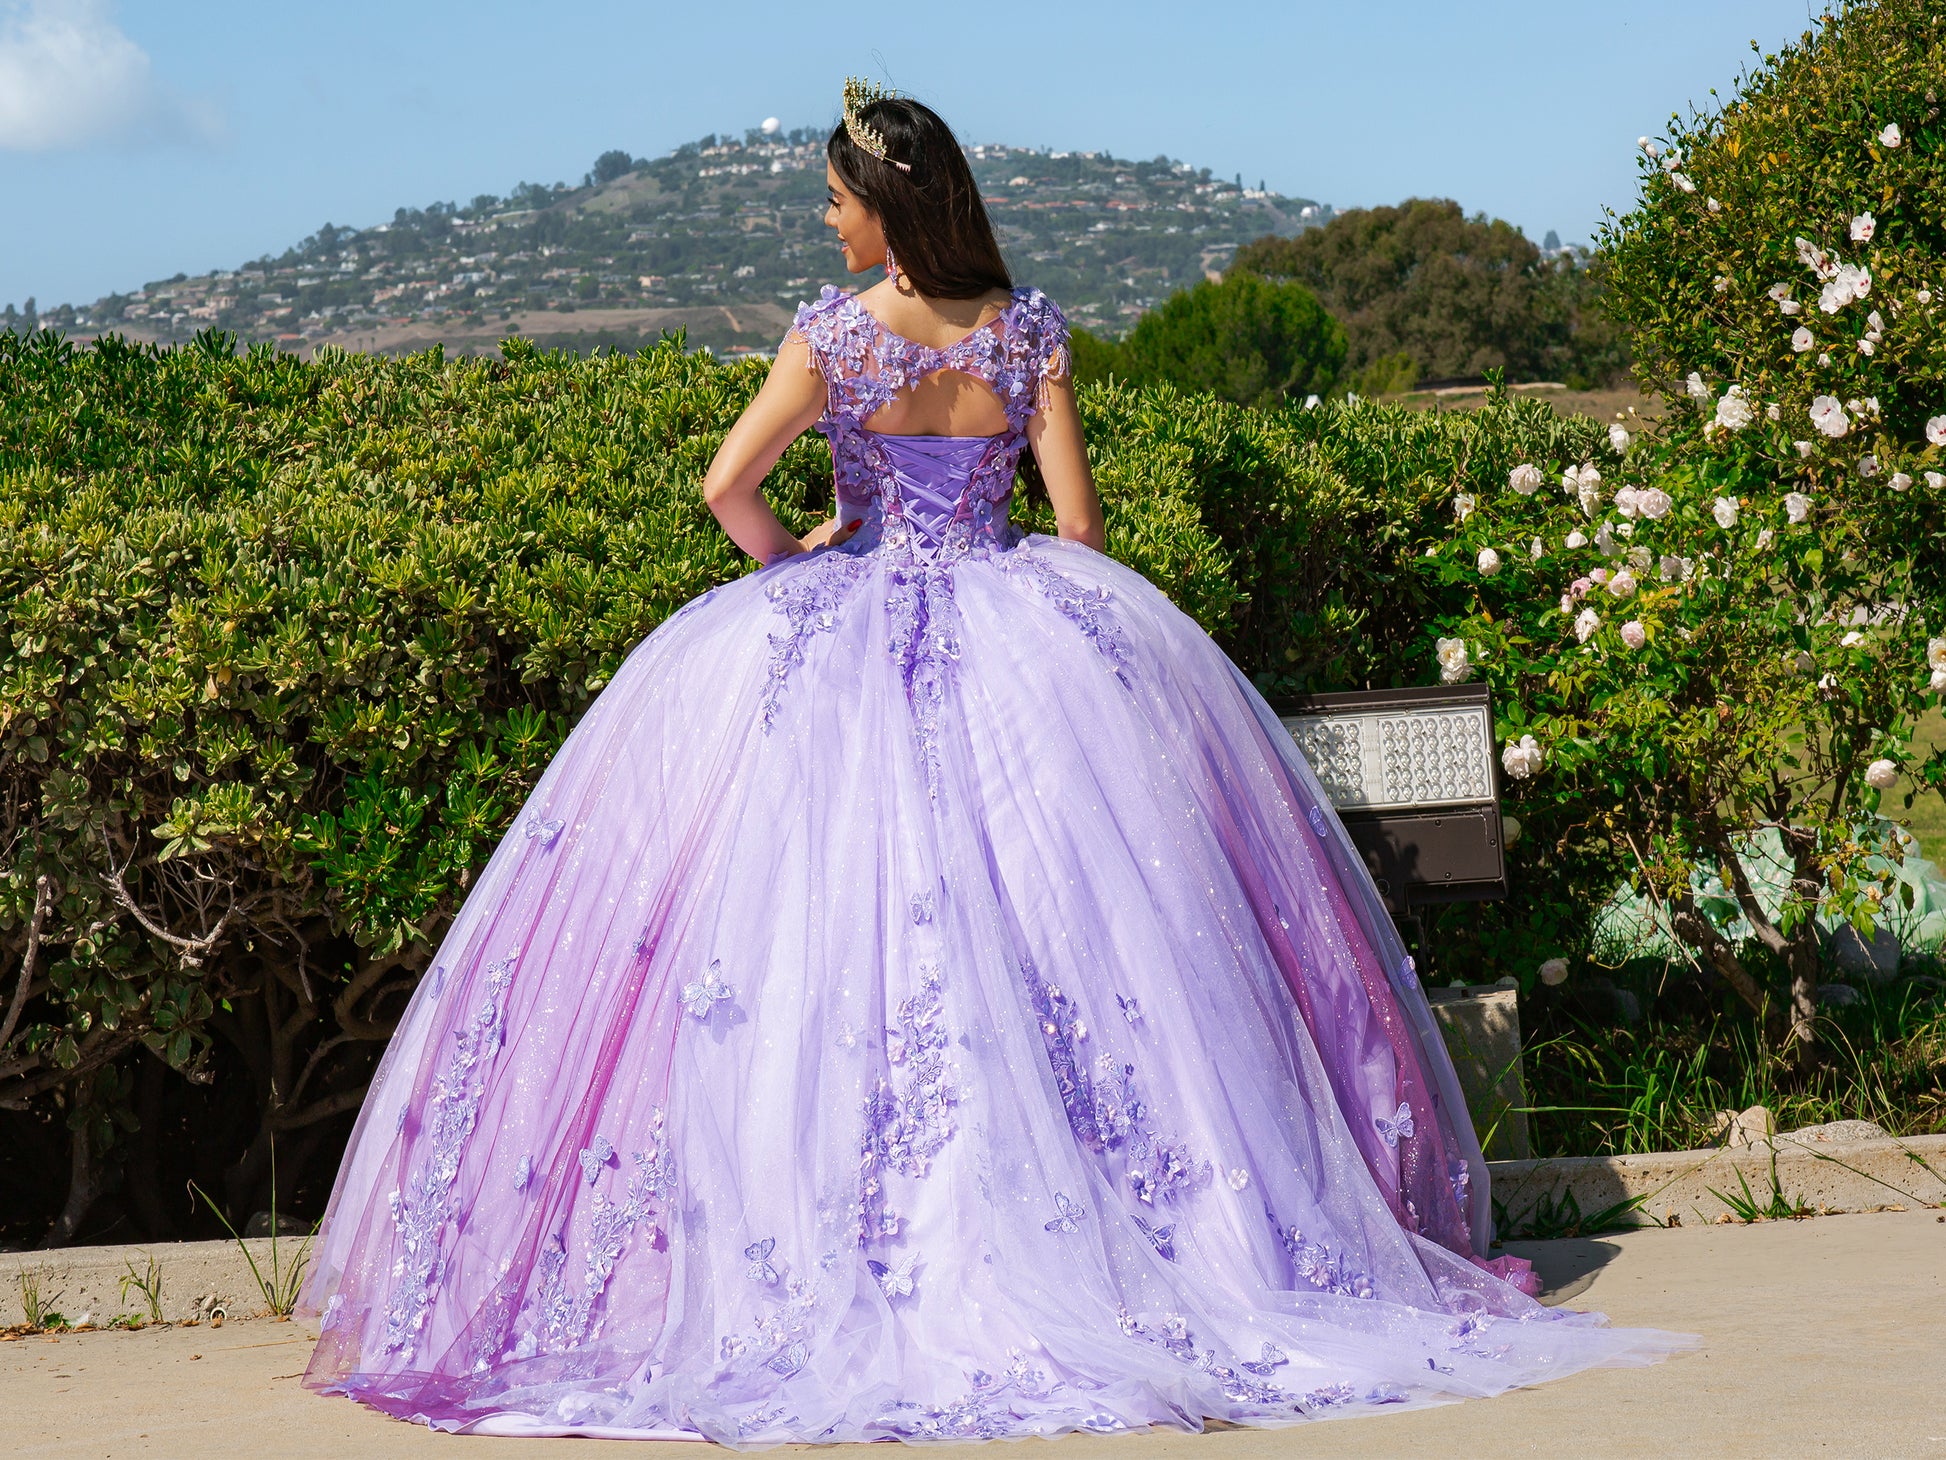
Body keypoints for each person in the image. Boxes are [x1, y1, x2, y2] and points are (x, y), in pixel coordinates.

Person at [302, 82, 1685, 1445]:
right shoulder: (1025, 332)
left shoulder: (832, 337)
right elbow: (1077, 525)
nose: (829, 221)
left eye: (837, 200)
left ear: (886, 209)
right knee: (1081, 943)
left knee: (814, 946)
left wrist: (802, 571)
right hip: (1016, 628)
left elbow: (725, 488)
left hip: (841, 634)